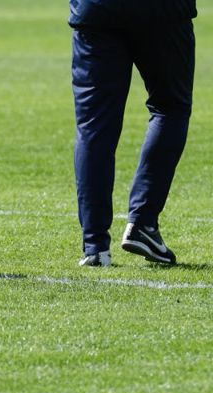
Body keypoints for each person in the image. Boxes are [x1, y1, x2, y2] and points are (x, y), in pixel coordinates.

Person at [70, 0, 197, 267]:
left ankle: (95, 247)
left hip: (97, 10)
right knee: (171, 109)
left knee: (94, 127)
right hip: (162, 11)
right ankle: (143, 222)